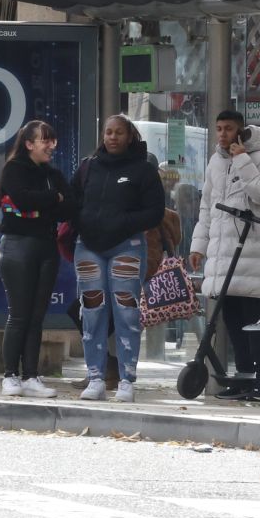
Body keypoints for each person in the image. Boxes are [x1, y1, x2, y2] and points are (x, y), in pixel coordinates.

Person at [68, 114, 167, 402]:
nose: (112, 137)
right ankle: (96, 378)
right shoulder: (88, 167)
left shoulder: (144, 171)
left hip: (127, 245)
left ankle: (126, 380)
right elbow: (73, 203)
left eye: (119, 133)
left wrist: (123, 221)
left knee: (126, 312)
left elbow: (155, 212)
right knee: (92, 312)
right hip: (88, 247)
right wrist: (82, 223)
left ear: (130, 136)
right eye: (108, 132)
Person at [190, 111, 260, 400]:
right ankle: (244, 376)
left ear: (242, 131)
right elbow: (206, 207)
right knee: (232, 318)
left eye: (228, 129)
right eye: (219, 129)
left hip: (252, 250)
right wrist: (198, 246)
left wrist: (242, 159)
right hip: (224, 254)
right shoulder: (214, 161)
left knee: (253, 319)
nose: (222, 135)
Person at [0, 120, 66, 398]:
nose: (51, 146)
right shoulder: (14, 169)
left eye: (53, 140)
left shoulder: (52, 173)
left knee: (36, 317)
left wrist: (44, 204)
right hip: (18, 247)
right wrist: (53, 199)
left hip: (47, 248)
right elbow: (22, 200)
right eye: (45, 140)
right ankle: (10, 375)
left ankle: (31, 376)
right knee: (19, 315)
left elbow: (70, 206)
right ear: (28, 144)